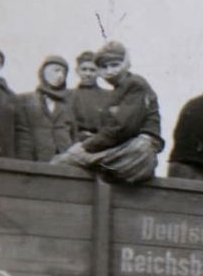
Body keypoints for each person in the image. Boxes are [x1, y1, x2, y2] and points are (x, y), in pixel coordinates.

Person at [50, 41, 164, 183]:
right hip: (130, 150)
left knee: (62, 162)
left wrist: (86, 146)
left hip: (137, 151)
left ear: (126, 64)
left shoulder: (134, 84)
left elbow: (122, 128)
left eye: (115, 65)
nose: (109, 71)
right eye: (104, 67)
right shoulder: (119, 90)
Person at [14, 55, 77, 161]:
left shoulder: (67, 105)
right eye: (56, 70)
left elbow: (74, 135)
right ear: (43, 72)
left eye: (63, 73)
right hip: (36, 159)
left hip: (64, 161)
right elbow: (22, 133)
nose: (60, 75)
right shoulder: (25, 100)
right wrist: (26, 162)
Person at [69, 50, 111, 141]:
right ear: (77, 71)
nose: (88, 74)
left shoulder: (109, 96)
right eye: (84, 69)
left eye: (92, 70)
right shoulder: (69, 95)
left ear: (99, 72)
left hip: (102, 142)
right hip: (75, 143)